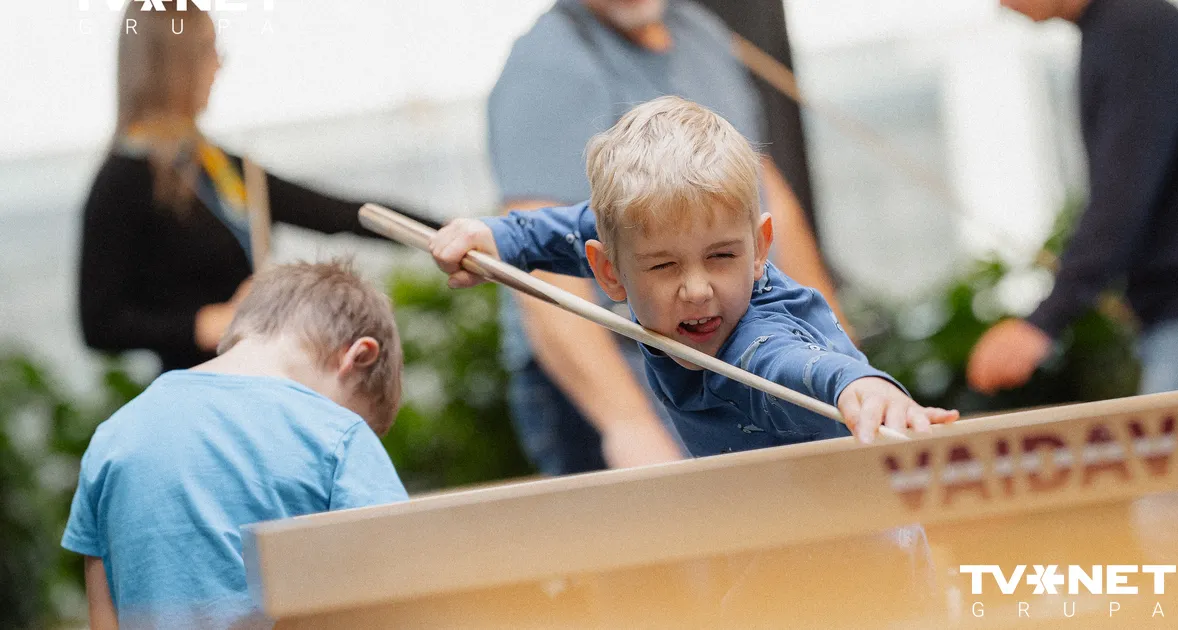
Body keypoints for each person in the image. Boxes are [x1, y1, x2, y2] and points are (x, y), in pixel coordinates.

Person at [434, 97, 958, 453]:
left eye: (722, 257)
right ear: (609, 272)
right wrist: (496, 237)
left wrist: (856, 384)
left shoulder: (758, 338)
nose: (698, 288)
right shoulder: (641, 232)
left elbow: (796, 364)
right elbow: (571, 228)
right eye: (663, 266)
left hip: (851, 545)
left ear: (760, 248)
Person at [488, 0, 843, 473]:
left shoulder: (702, 34)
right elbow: (540, 272)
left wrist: (835, 341)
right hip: (615, 359)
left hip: (726, 343)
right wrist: (631, 428)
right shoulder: (546, 62)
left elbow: (763, 193)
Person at [79, 3, 436, 373]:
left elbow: (338, 214)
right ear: (174, 64)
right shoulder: (122, 180)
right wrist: (206, 323)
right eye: (208, 48)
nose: (219, 64)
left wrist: (452, 234)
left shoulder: (217, 167)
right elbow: (99, 323)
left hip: (254, 380)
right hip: (197, 395)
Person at [61, 260, 408, 630]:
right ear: (358, 356)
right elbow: (406, 599)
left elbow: (104, 617)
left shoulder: (114, 436)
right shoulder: (339, 435)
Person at [968, 0, 1178, 395]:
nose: (1001, 4)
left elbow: (1124, 194)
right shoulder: (1121, 27)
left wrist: (1043, 322)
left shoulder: (1134, 28)